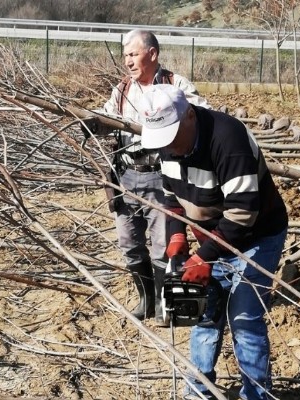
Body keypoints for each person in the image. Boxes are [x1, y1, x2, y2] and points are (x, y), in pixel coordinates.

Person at [137, 84, 288, 400]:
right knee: (203, 315)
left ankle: (256, 396)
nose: (169, 148)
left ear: (189, 116)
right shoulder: (168, 147)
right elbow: (172, 198)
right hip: (211, 240)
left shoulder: (227, 138)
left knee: (244, 319)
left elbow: (244, 211)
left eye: (172, 138)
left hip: (256, 236)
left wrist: (203, 256)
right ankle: (197, 393)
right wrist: (178, 234)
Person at [100, 29, 209, 324]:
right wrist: (92, 123)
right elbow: (106, 119)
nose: (128, 62)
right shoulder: (123, 90)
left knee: (163, 245)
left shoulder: (175, 85)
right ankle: (145, 300)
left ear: (152, 54)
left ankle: (164, 302)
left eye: (133, 54)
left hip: (161, 177)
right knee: (129, 243)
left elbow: (201, 115)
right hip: (127, 176)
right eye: (125, 56)